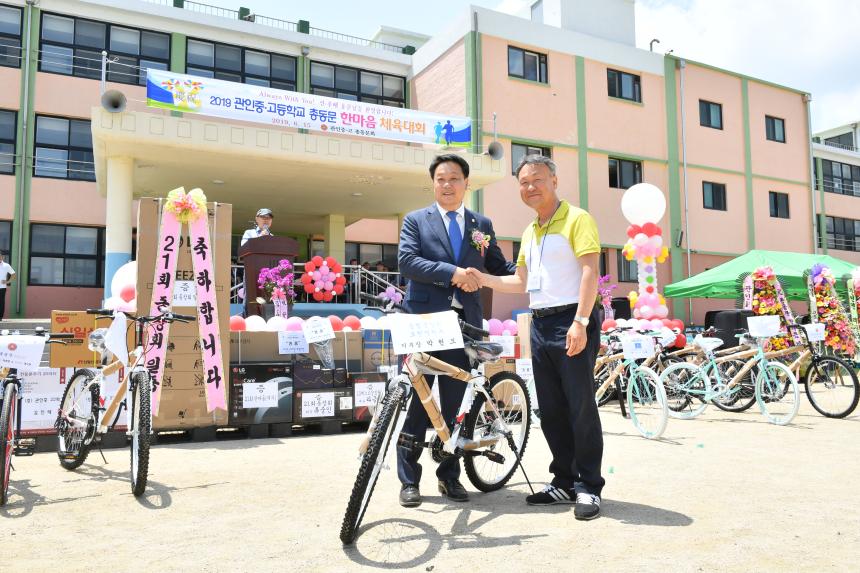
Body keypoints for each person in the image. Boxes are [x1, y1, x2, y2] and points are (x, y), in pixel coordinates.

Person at [468, 154, 604, 520]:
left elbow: (590, 271)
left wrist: (581, 321)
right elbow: (522, 282)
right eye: (523, 182)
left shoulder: (577, 218)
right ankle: (563, 481)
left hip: (572, 318)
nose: (530, 187)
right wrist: (484, 278)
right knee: (552, 409)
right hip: (540, 322)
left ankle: (589, 486)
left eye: (537, 180)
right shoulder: (531, 231)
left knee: (580, 406)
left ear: (554, 181)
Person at [396, 153, 515, 507]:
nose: (447, 185)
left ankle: (448, 476)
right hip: (426, 323)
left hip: (467, 326)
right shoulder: (416, 220)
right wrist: (454, 273)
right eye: (440, 179)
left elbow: (497, 264)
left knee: (453, 401)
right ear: (433, 183)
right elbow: (407, 262)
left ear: (466, 183)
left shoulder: (482, 224)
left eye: (454, 179)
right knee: (419, 401)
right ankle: (409, 481)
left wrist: (531, 268)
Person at [0, 252, 15, 321]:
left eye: (0, 256)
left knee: (1, 302)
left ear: (3, 257)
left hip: (2, 287)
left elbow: (13, 274)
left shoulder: (6, 265)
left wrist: (7, 282)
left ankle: (0, 317)